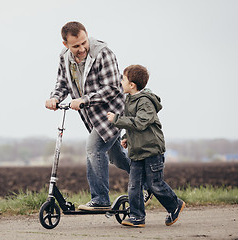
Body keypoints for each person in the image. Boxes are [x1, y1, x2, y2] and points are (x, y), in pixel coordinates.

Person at [45, 21, 134, 210]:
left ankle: (101, 199)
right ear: (66, 45)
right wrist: (54, 98)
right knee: (116, 157)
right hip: (92, 117)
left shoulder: (103, 54)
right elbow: (62, 84)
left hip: (113, 113)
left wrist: (85, 99)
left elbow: (112, 88)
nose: (82, 48)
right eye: (76, 46)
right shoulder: (64, 58)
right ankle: (150, 182)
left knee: (93, 148)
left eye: (84, 42)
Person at [107, 64, 185, 227]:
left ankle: (175, 204)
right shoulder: (129, 100)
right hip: (137, 151)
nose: (120, 82)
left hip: (151, 150)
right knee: (134, 185)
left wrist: (116, 120)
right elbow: (132, 123)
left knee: (155, 184)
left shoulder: (145, 102)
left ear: (132, 84)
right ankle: (137, 216)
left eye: (123, 79)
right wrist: (126, 137)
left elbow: (141, 122)